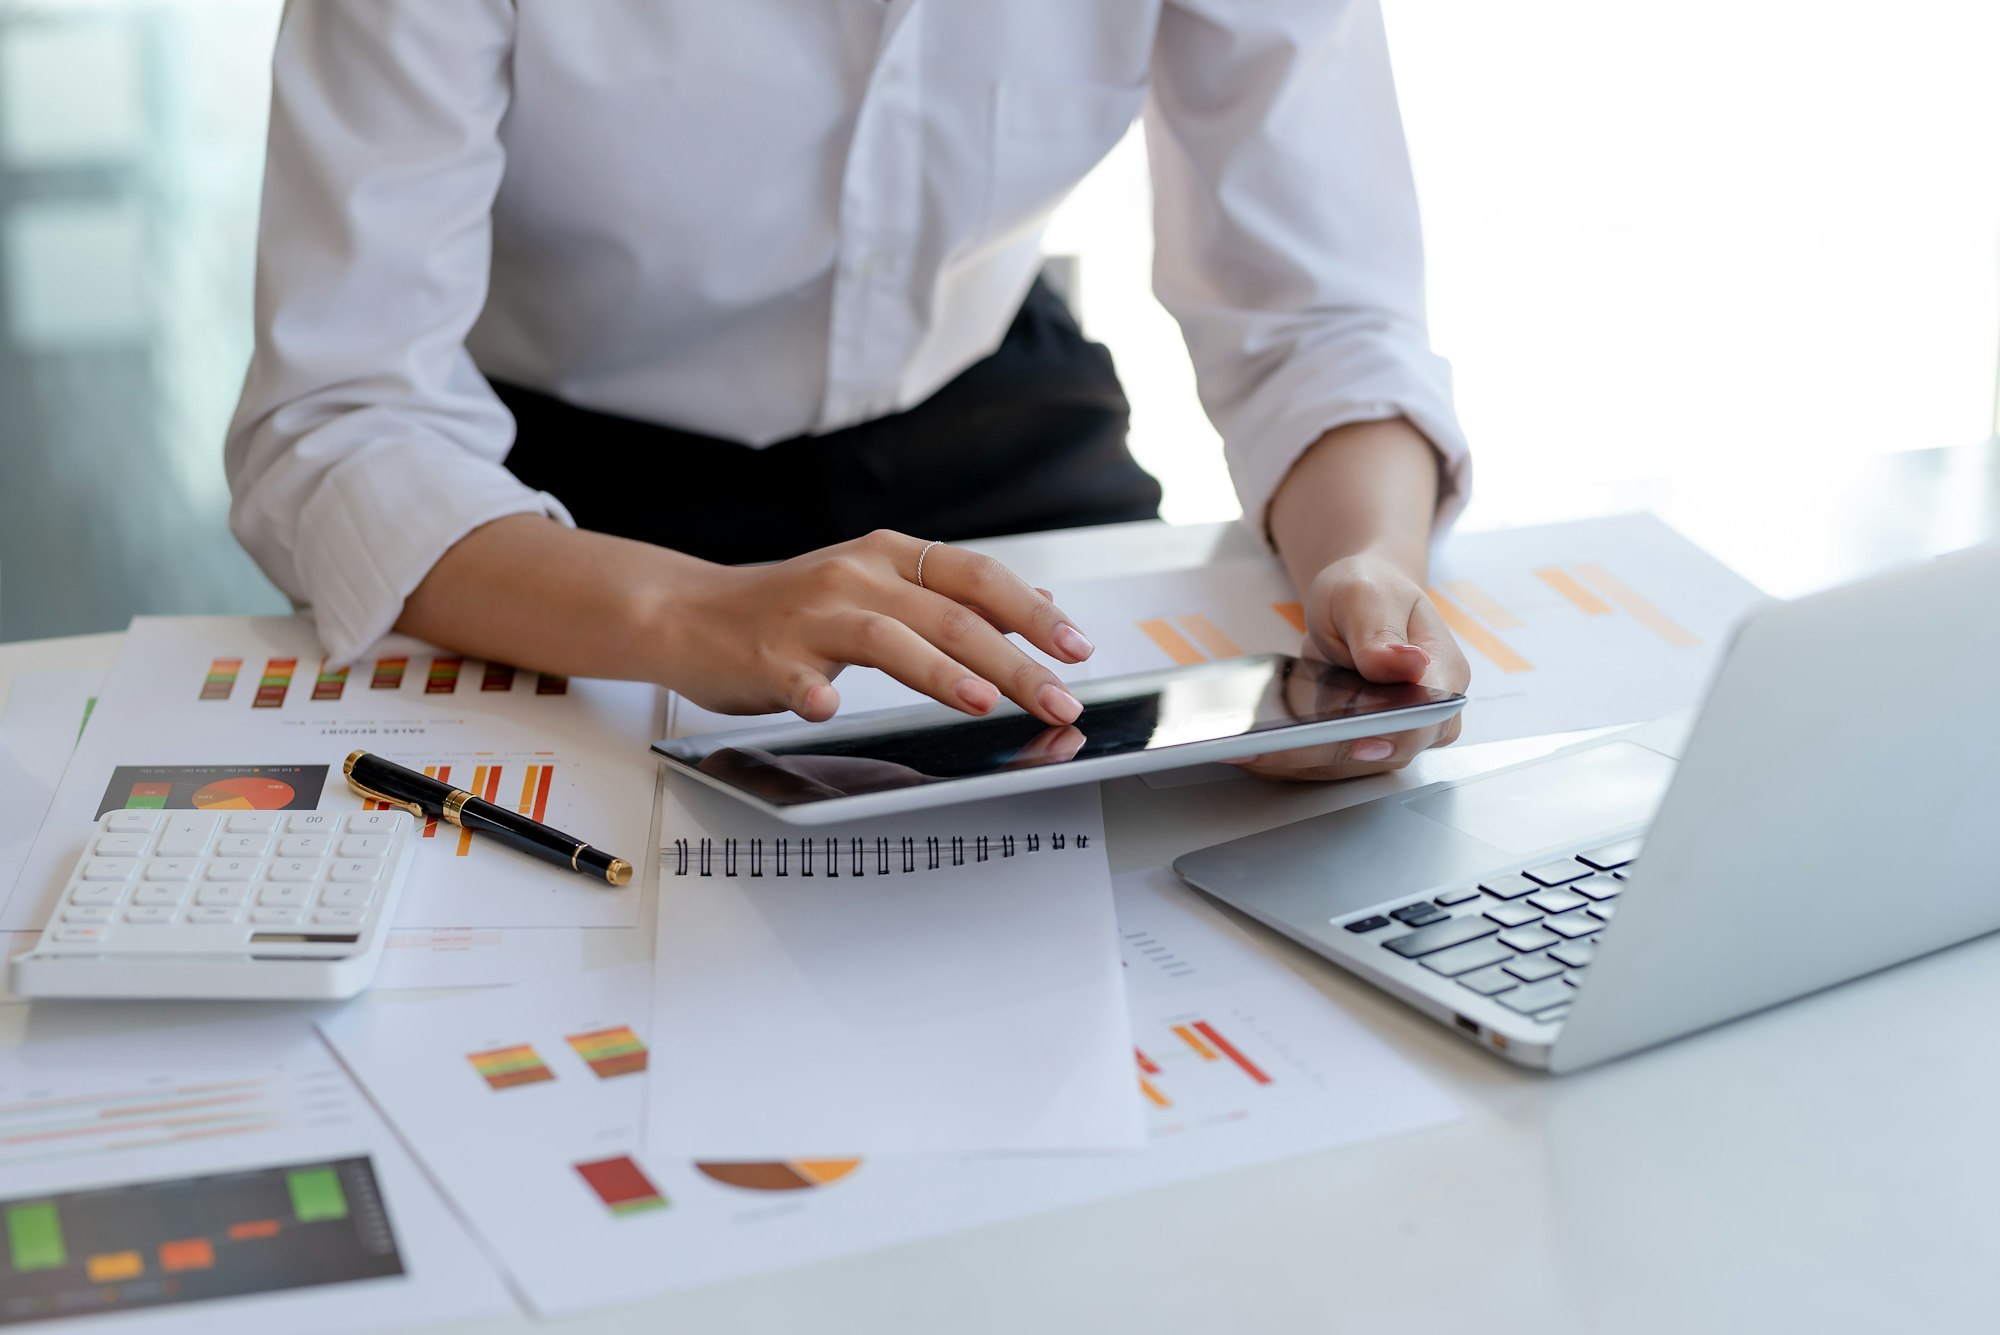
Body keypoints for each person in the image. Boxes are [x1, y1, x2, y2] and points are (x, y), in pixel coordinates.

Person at [225, 0, 1472, 782]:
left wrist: (1365, 570)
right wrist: (685, 614)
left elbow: (1320, 320)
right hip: (561, 504)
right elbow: (339, 423)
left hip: (987, 417)